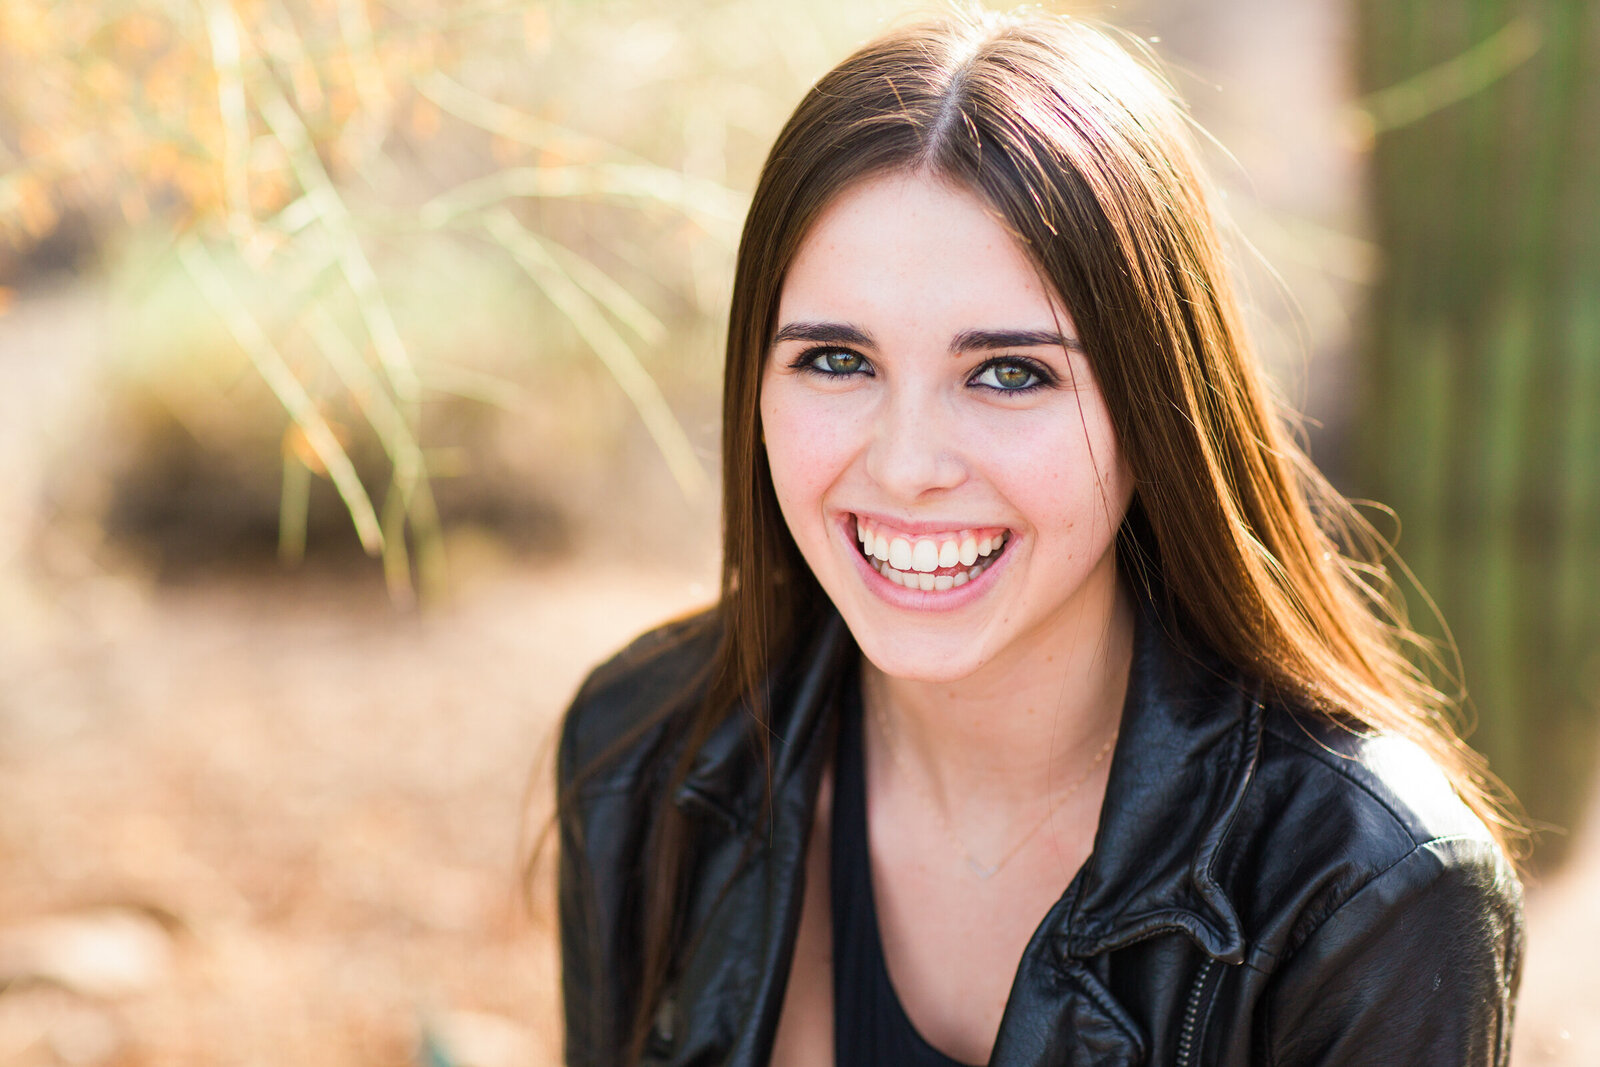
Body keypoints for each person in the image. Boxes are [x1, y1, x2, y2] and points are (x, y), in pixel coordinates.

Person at [554, 9, 1525, 1066]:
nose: (905, 463)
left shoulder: (1366, 894)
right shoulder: (644, 752)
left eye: (1010, 371)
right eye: (836, 359)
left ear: (1155, 407)